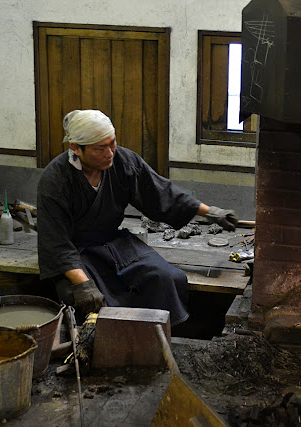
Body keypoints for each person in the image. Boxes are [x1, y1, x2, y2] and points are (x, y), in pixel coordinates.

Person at [37, 110, 238, 325]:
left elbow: (161, 192)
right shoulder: (55, 181)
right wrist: (83, 285)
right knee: (92, 301)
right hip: (75, 255)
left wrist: (210, 212)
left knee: (165, 278)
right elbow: (56, 244)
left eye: (112, 143)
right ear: (75, 147)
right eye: (100, 148)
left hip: (113, 243)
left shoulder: (123, 161)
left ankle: (157, 339)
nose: (110, 153)